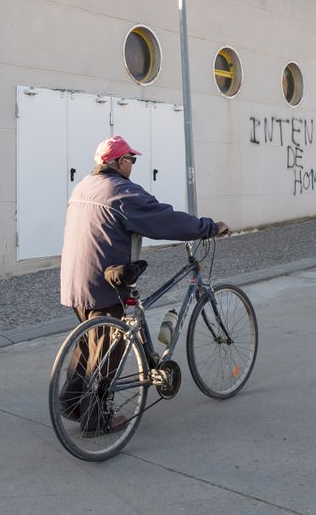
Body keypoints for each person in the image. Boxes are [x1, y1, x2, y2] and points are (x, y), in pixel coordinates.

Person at [59, 135, 229, 434]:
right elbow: (163, 219)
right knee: (109, 351)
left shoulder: (84, 186)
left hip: (74, 281)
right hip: (106, 281)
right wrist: (208, 227)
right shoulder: (121, 191)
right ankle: (95, 420)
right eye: (132, 160)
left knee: (89, 346)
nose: (133, 166)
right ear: (118, 162)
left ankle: (72, 402)